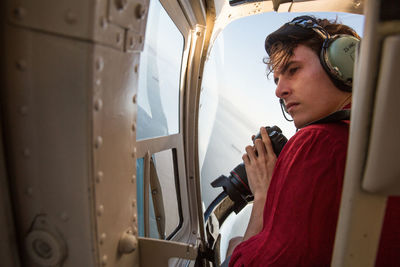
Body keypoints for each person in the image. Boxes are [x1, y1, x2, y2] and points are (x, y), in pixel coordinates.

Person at [222, 15, 400, 266]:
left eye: (293, 69)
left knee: (234, 245)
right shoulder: (377, 138)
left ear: (343, 64)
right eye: (276, 79)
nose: (278, 91)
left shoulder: (318, 142)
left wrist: (263, 195)